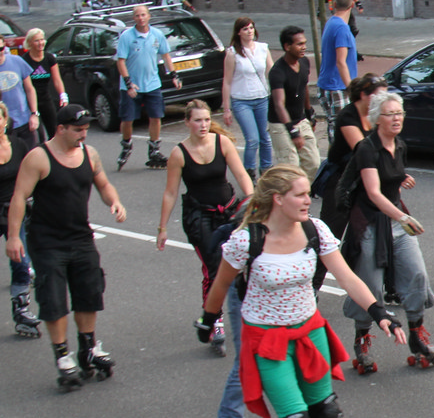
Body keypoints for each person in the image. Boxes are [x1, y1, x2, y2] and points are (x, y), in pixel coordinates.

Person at [200, 166, 404, 418]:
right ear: (278, 199)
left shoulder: (315, 230)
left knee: (325, 410)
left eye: (309, 193)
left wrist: (380, 313)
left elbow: (347, 277)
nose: (308, 200)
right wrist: (207, 320)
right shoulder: (248, 240)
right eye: (300, 194)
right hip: (267, 341)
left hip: (310, 333)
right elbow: (222, 282)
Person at [5, 104, 126, 391]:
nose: (83, 134)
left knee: (89, 293)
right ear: (61, 129)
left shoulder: (89, 154)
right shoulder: (39, 158)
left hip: (80, 237)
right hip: (47, 241)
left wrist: (115, 201)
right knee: (54, 299)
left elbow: (103, 184)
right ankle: (62, 356)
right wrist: (13, 237)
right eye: (78, 130)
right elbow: (19, 196)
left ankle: (88, 348)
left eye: (86, 129)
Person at [341, 91, 434, 373]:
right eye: (390, 114)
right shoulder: (366, 149)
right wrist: (403, 216)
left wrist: (400, 178)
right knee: (370, 285)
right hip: (370, 221)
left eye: (399, 113)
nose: (397, 118)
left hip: (395, 220)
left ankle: (417, 336)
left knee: (417, 274)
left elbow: (388, 178)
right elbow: (372, 192)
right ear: (376, 119)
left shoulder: (400, 145)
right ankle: (362, 341)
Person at [156, 98, 252, 355]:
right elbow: (170, 193)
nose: (203, 125)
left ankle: (248, 314)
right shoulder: (179, 154)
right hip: (200, 216)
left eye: (207, 119)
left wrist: (252, 202)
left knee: (241, 263)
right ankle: (214, 321)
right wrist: (162, 228)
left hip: (229, 211)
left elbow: (241, 174)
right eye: (198, 120)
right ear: (187, 122)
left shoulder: (222, 143)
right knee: (213, 268)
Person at [316, 73, 385, 238]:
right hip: (341, 180)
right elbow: (363, 151)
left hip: (362, 178)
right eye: (379, 96)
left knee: (362, 233)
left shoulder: (376, 115)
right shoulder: (348, 116)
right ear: (364, 95)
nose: (383, 101)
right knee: (332, 232)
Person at [114, 3, 182, 170]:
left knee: (156, 117)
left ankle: (154, 149)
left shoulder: (157, 34)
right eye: (137, 15)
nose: (141, 18)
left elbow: (166, 56)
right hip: (132, 86)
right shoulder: (126, 36)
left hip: (152, 83)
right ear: (134, 18)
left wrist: (174, 75)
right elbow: (120, 61)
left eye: (143, 15)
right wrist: (129, 84)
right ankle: (127, 144)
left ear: (149, 16)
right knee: (128, 119)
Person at [0, 104, 41, 338]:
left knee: (21, 261)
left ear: (5, 120)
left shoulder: (19, 146)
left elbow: (32, 175)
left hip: (13, 212)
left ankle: (21, 311)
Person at [221, 16, 274, 178]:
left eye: (251, 28)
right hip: (241, 101)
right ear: (238, 32)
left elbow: (272, 72)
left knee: (266, 138)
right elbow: (227, 82)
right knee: (252, 140)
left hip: (262, 98)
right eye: (245, 29)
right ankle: (249, 172)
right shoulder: (232, 54)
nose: (249, 31)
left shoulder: (263, 48)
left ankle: (266, 169)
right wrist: (226, 109)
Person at [267, 26, 320, 178]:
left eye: (304, 43)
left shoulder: (304, 62)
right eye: (299, 44)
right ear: (287, 46)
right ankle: (288, 190)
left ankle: (303, 190)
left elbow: (303, 88)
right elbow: (279, 104)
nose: (304, 47)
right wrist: (293, 131)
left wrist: (309, 113)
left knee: (313, 163)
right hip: (281, 123)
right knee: (291, 167)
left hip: (300, 119)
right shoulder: (277, 72)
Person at [317, 0, 358, 139]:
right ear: (352, 5)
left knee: (335, 126)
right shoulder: (342, 28)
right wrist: (351, 89)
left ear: (334, 4)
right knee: (341, 130)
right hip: (337, 87)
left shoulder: (331, 22)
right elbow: (341, 62)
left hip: (327, 84)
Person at [21, 29, 66, 141]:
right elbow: (27, 86)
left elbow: (57, 80)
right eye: (36, 41)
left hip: (45, 99)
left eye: (42, 40)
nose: (40, 43)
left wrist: (63, 95)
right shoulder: (24, 60)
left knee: (54, 131)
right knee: (38, 134)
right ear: (30, 43)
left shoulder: (49, 58)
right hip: (31, 101)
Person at [0, 38, 39, 154]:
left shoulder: (17, 61)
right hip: (3, 125)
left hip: (24, 120)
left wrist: (34, 114)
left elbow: (30, 89)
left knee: (30, 156)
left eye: (1, 48)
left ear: (4, 46)